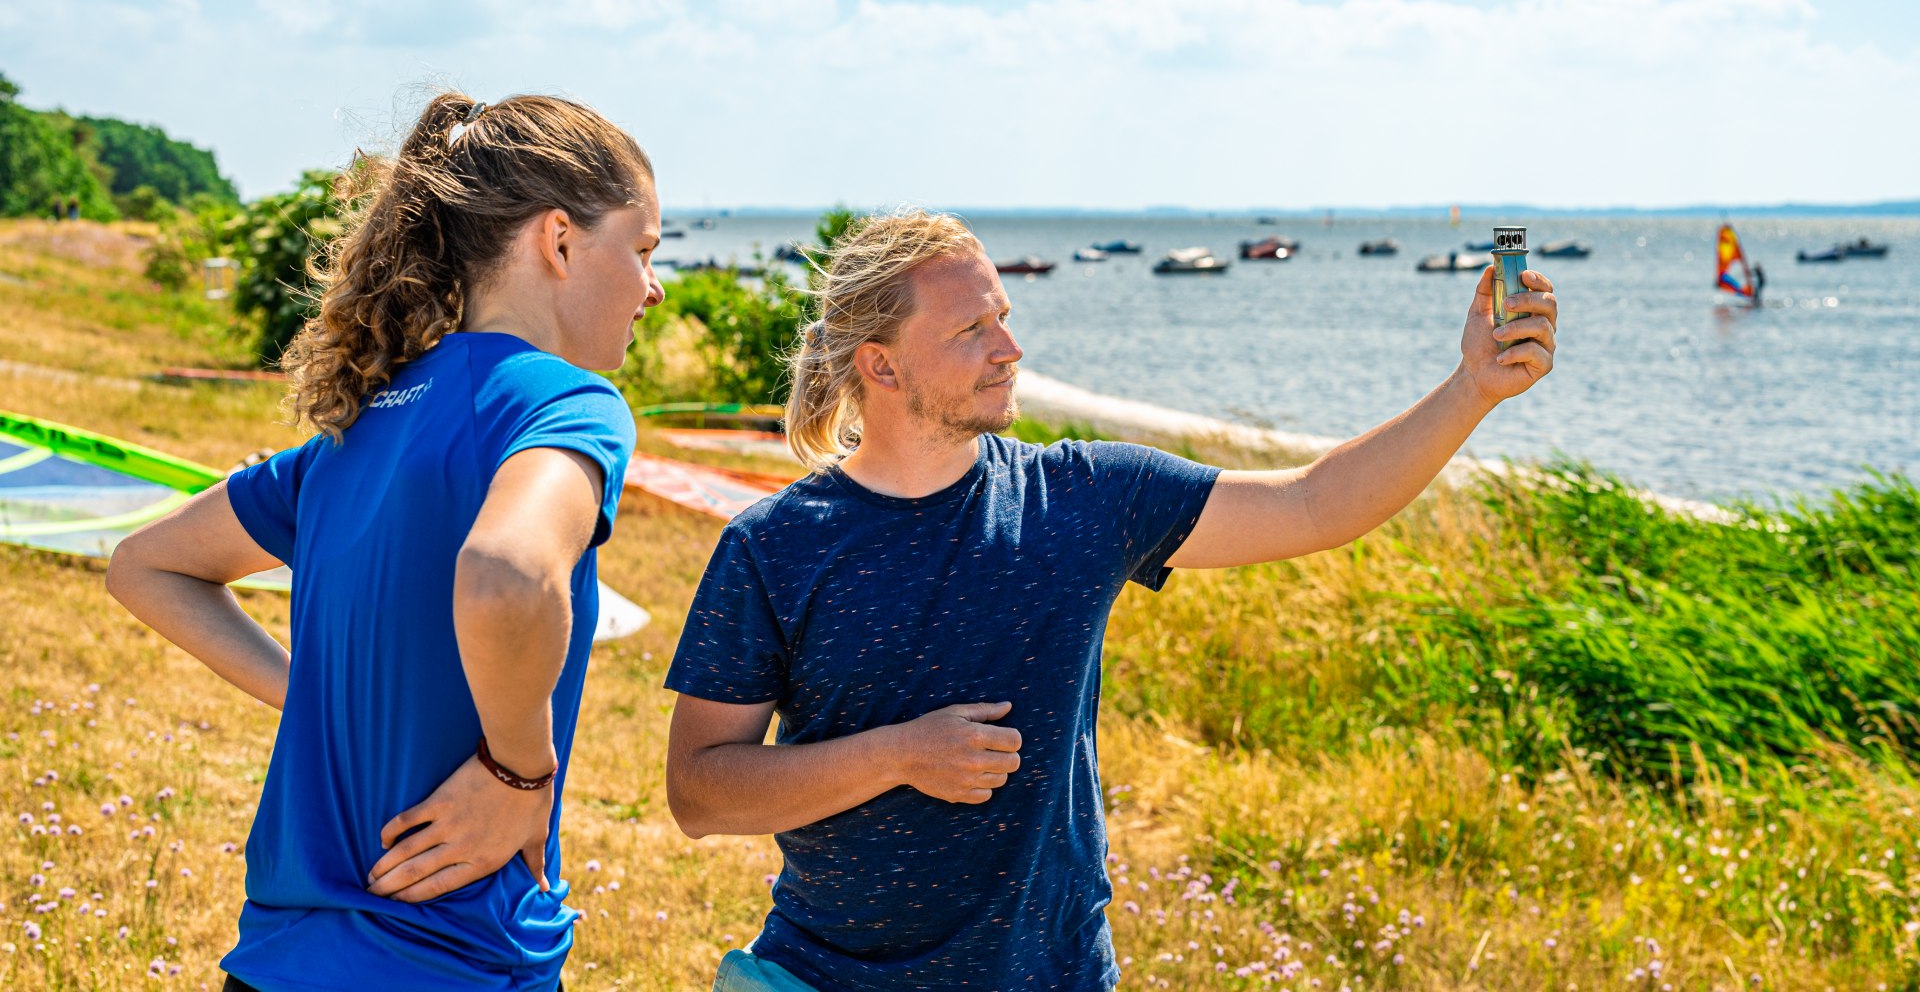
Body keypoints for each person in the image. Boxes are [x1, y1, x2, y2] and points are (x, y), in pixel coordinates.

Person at [664, 210, 1558, 991]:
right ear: (882, 367)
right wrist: (900, 755)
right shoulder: (775, 545)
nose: (1009, 348)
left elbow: (1316, 503)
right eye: (971, 329)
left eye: (1004, 316)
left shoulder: (1085, 497)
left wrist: (1471, 388)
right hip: (827, 979)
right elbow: (700, 793)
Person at [107, 91, 664, 991]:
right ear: (559, 241)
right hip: (448, 959)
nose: (654, 284)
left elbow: (146, 566)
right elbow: (508, 574)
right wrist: (516, 773)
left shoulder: (361, 421)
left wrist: (313, 697)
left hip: (274, 957)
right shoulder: (565, 403)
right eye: (641, 250)